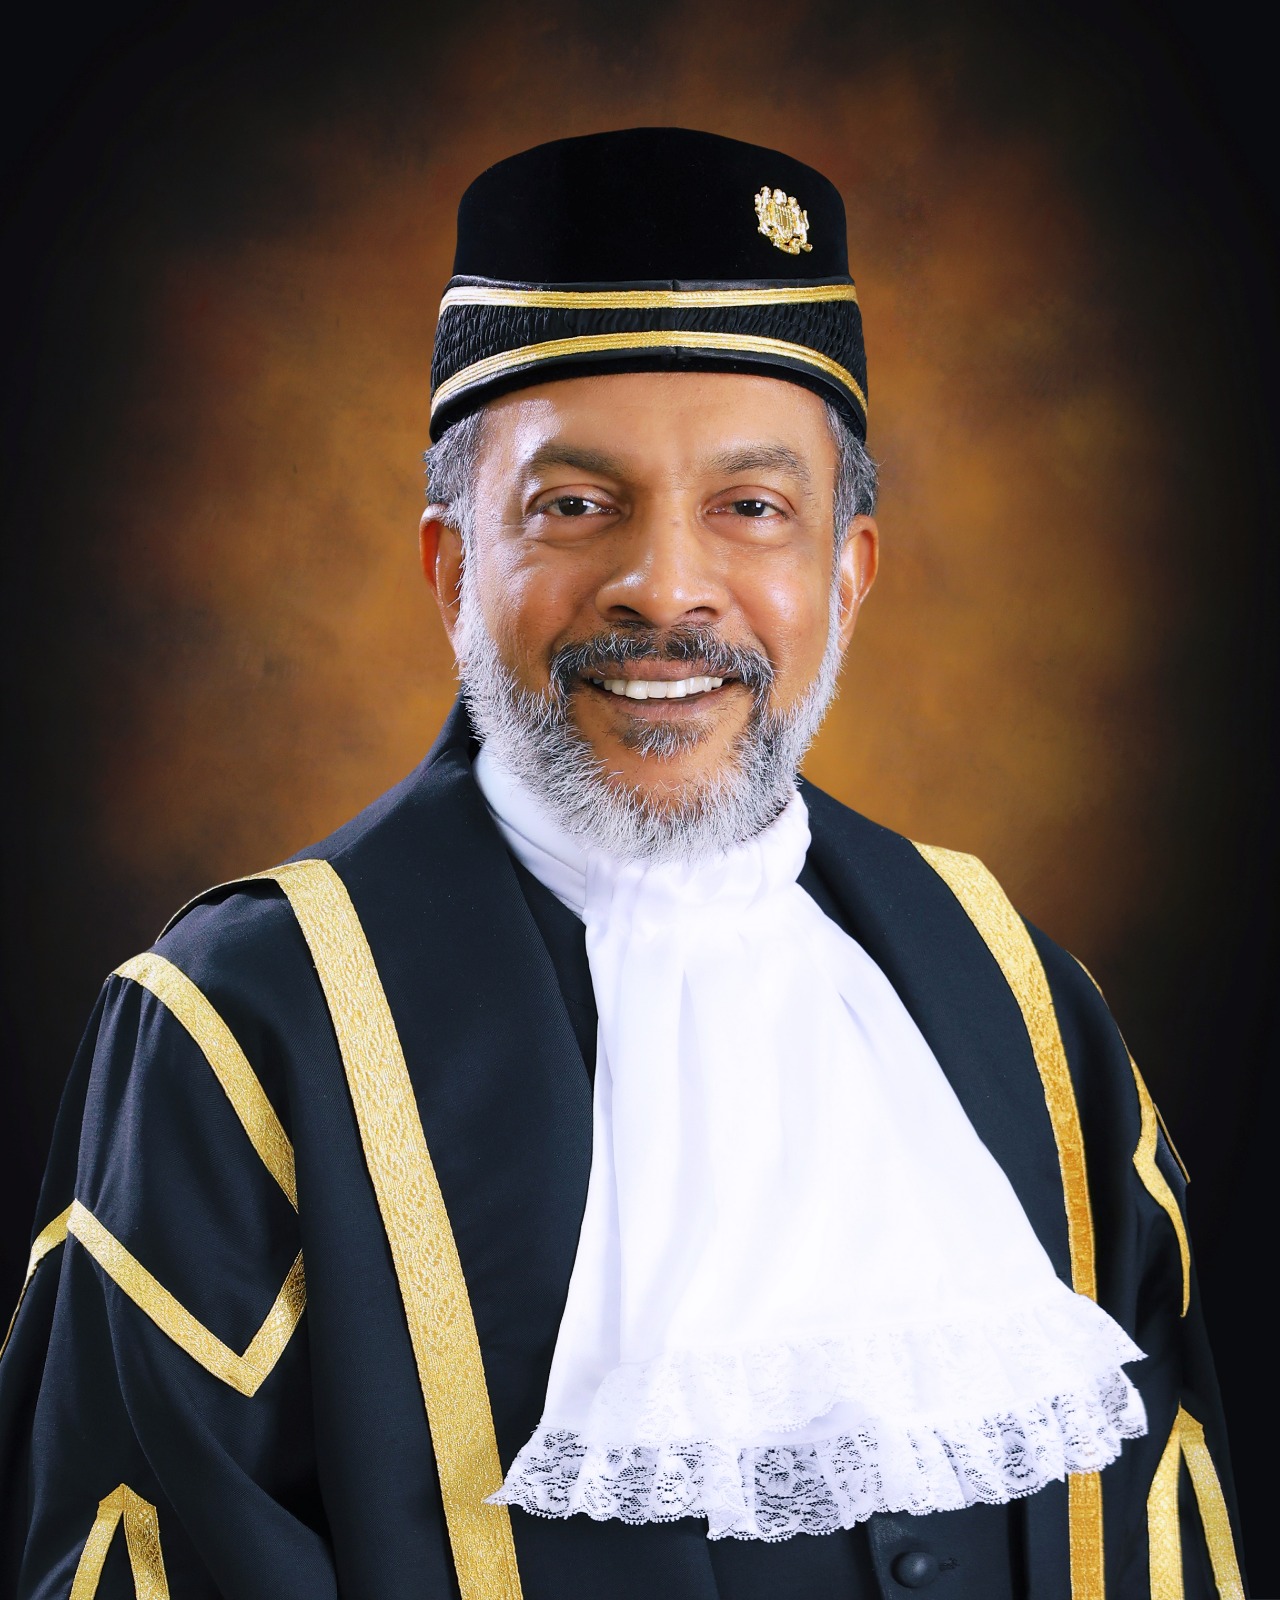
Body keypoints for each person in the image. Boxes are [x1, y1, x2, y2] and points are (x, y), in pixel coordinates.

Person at [0, 128, 1245, 1600]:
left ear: (847, 576)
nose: (665, 587)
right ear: (452, 568)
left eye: (751, 507)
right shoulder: (238, 1031)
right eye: (575, 506)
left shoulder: (1024, 1004)